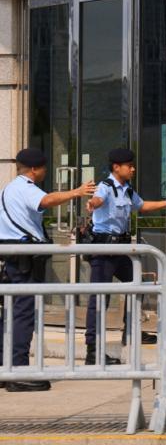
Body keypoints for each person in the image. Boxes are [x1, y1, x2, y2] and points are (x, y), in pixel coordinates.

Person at [0, 148, 94, 391]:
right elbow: (46, 200)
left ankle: (4, 368)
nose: (45, 172)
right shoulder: (26, 188)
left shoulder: (9, 189)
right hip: (24, 259)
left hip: (12, 257)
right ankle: (17, 371)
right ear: (34, 169)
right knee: (22, 314)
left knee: (9, 313)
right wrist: (76, 192)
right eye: (43, 168)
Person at [83, 147, 166, 364]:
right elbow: (97, 200)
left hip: (120, 250)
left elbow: (142, 206)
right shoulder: (105, 187)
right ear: (116, 167)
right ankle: (93, 351)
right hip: (103, 249)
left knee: (137, 285)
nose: (133, 169)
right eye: (129, 166)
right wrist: (92, 203)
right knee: (99, 298)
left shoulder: (127, 190)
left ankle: (131, 332)